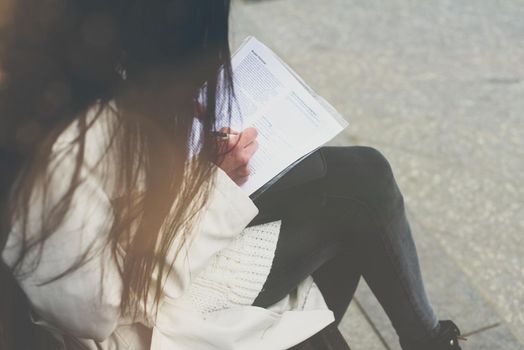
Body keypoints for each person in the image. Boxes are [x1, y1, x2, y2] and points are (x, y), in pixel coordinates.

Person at [0, 0, 464, 349]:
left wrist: (163, 125)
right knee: (353, 202)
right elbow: (99, 314)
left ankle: (428, 341)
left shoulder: (74, 56)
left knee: (360, 175)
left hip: (158, 241)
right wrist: (212, 188)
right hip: (146, 322)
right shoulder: (55, 150)